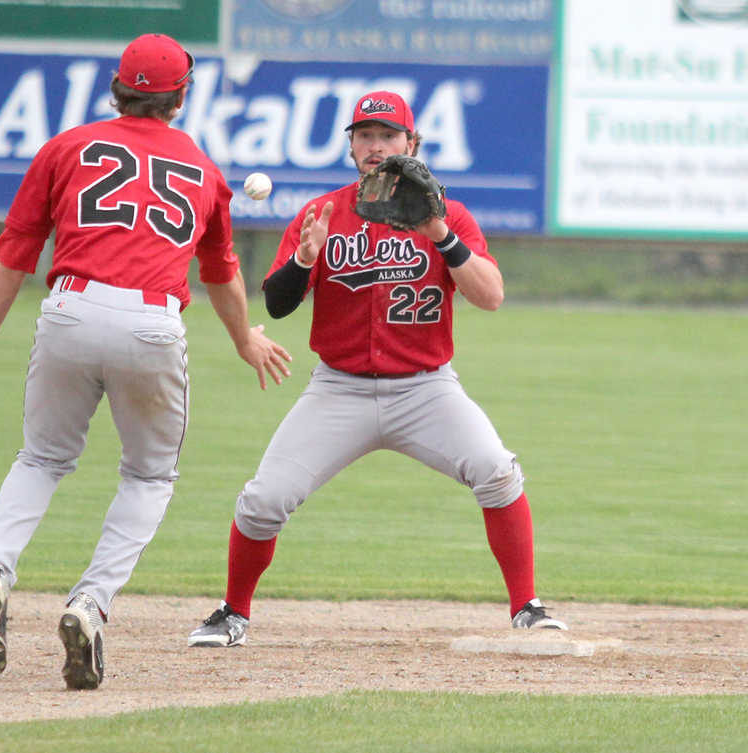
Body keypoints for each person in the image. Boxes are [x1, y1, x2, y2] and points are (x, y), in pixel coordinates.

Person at [0, 33, 293, 690]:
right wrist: (245, 338)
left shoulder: (66, 148)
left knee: (42, 458)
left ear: (118, 86)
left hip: (70, 308)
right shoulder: (202, 167)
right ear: (180, 95)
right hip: (151, 323)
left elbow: (13, 258)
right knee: (148, 477)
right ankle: (90, 601)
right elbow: (220, 271)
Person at [187, 90, 567, 648]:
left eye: (388, 136)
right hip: (338, 390)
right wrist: (304, 259)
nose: (375, 146)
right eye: (364, 136)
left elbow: (490, 296)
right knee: (264, 499)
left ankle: (527, 607)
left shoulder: (449, 216)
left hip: (426, 390)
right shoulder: (323, 213)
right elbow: (277, 305)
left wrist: (439, 232)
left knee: (497, 470)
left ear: (411, 144)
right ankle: (233, 612)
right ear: (351, 146)